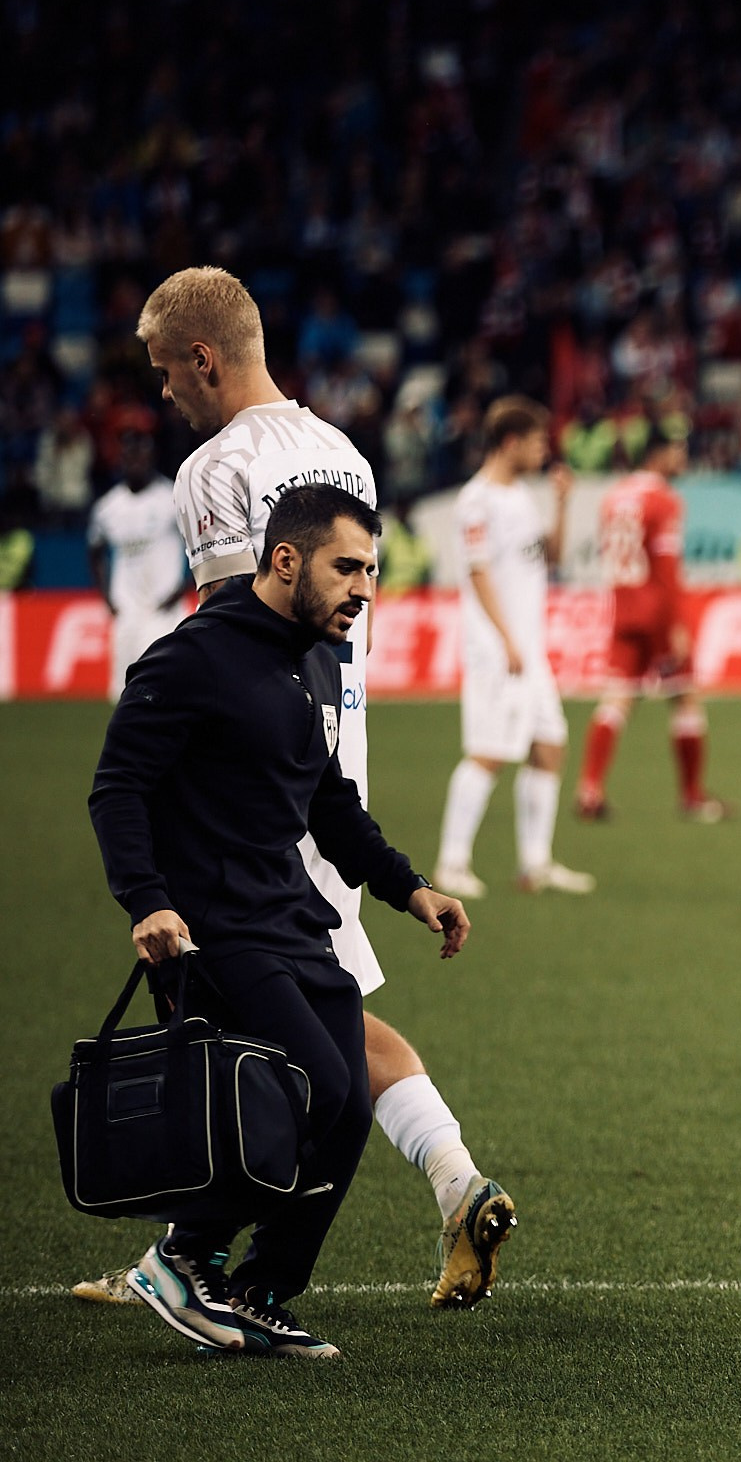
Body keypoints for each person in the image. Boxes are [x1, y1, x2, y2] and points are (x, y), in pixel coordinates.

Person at [70, 266, 517, 1314]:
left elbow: (239, 637)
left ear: (203, 359)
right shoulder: (340, 450)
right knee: (321, 1004)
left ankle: (195, 1256)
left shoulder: (213, 468)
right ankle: (450, 1182)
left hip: (259, 781)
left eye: (163, 373)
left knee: (242, 1002)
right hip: (333, 760)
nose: (163, 395)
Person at [89, 484, 474, 1357]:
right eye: (347, 566)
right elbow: (117, 788)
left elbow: (329, 804)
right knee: (320, 1089)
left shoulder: (313, 658)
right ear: (285, 560)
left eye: (372, 569)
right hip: (212, 928)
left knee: (343, 1110)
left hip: (292, 921)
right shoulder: (189, 658)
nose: (365, 587)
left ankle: (263, 1288)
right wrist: (147, 898)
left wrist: (408, 885)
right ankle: (181, 1257)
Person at [434, 397, 594, 896]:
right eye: (537, 441)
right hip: (497, 647)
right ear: (510, 442)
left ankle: (535, 864)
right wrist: (505, 639)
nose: (544, 450)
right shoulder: (476, 501)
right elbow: (477, 572)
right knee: (489, 752)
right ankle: (451, 863)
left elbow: (551, 557)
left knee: (549, 747)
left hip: (528, 648)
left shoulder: (521, 496)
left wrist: (563, 503)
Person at [578, 426, 729, 822]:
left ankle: (590, 788)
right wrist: (676, 624)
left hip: (623, 605)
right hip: (656, 610)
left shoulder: (614, 497)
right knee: (686, 697)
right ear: (658, 454)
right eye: (678, 451)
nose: (682, 459)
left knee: (616, 700)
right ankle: (693, 796)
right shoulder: (663, 500)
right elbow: (665, 567)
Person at [87, 428, 190, 699]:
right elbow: (94, 549)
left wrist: (182, 588)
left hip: (163, 611)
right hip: (126, 611)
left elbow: (200, 542)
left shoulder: (172, 497)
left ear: (151, 457)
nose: (135, 461)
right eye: (129, 456)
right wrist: (107, 597)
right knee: (124, 694)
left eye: (141, 455)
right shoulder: (108, 507)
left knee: (167, 689)